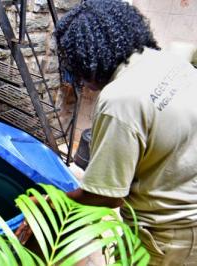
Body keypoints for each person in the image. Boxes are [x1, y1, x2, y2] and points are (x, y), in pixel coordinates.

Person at [55, 0, 197, 265]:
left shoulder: (119, 101)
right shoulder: (168, 61)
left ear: (86, 58)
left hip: (170, 233)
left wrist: (54, 203)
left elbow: (107, 195)